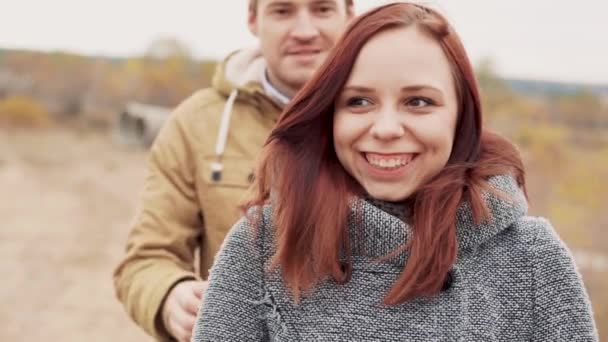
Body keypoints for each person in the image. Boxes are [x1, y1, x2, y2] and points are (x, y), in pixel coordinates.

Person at [192, 2, 599, 341]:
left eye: (419, 102)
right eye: (359, 102)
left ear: (461, 118)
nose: (386, 129)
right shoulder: (265, 245)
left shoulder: (531, 258)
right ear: (327, 114)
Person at [113, 1, 354, 341]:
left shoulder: (392, 121)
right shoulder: (195, 124)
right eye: (282, 11)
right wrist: (171, 296)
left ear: (350, 16)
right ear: (253, 20)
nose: (304, 31)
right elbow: (146, 260)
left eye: (322, 9)